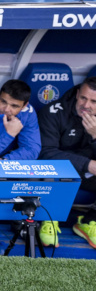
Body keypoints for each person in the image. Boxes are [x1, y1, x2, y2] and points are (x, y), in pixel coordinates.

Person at [38, 77, 96, 249]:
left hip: (87, 173)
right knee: (53, 170)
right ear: (77, 94)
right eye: (83, 98)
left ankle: (89, 221)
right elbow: (46, 153)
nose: (87, 105)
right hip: (58, 169)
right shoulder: (54, 111)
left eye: (94, 101)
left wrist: (95, 136)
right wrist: (87, 164)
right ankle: (49, 220)